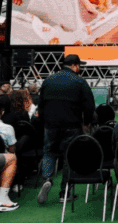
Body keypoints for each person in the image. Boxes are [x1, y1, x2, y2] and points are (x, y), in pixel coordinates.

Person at [35, 54, 95, 205]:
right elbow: (89, 105)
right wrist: (87, 122)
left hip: (51, 124)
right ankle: (65, 192)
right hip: (72, 124)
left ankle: (46, 178)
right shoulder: (80, 81)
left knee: (49, 152)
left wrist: (44, 121)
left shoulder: (49, 80)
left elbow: (41, 104)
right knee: (69, 157)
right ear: (75, 65)